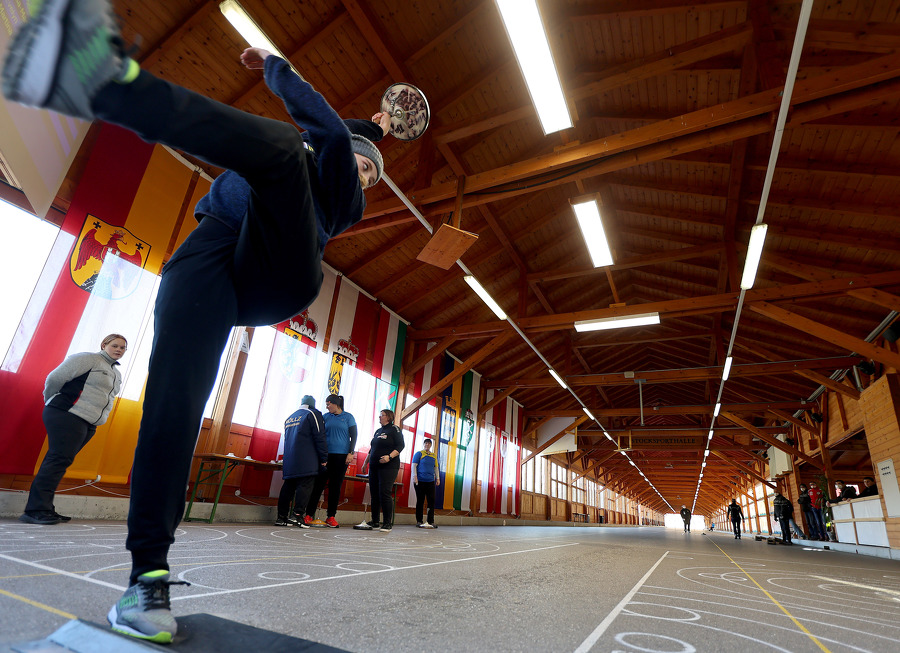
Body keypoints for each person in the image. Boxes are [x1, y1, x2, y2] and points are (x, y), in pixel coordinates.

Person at [2, 0, 389, 642]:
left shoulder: (341, 195)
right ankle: (145, 580)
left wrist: (279, 73)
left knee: (283, 156)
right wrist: (320, 112)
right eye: (360, 159)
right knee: (171, 408)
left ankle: (111, 88)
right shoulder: (287, 153)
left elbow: (330, 143)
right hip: (204, 261)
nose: (364, 174)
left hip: (277, 273)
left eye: (371, 171)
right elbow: (322, 132)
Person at [19, 334, 127, 525]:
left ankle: (45, 507)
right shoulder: (89, 359)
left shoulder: (116, 373)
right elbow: (55, 377)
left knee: (60, 461)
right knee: (58, 459)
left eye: (123, 348)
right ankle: (35, 510)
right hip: (67, 413)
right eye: (115, 345)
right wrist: (52, 400)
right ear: (104, 345)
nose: (119, 349)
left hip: (88, 422)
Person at [304, 394, 358, 528]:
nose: (327, 407)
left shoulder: (348, 417)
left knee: (335, 486)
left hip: (341, 457)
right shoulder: (325, 417)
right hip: (325, 456)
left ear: (336, 404)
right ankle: (309, 514)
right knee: (318, 485)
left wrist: (351, 452)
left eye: (328, 404)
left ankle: (331, 516)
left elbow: (354, 435)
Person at [275, 396, 326, 527]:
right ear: (312, 404)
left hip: (290, 458)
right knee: (305, 486)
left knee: (288, 487)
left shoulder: (290, 417)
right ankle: (297, 516)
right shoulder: (313, 414)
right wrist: (324, 457)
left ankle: (281, 517)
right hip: (307, 459)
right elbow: (319, 435)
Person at [362, 409, 404, 533]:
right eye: (380, 415)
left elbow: (400, 446)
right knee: (374, 494)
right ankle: (375, 521)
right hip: (374, 466)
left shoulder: (395, 429)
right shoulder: (378, 431)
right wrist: (365, 462)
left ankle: (387, 523)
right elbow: (372, 448)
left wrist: (389, 457)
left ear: (389, 417)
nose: (379, 417)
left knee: (384, 493)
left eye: (382, 415)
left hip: (389, 466)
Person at [412, 437, 440, 528]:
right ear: (424, 444)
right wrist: (415, 477)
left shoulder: (433, 456)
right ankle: (419, 521)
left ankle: (430, 521)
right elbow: (414, 466)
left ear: (431, 445)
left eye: (429, 443)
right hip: (420, 481)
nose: (427, 445)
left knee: (431, 501)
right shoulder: (419, 454)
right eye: (426, 443)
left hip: (430, 481)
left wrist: (438, 478)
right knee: (420, 501)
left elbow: (436, 468)